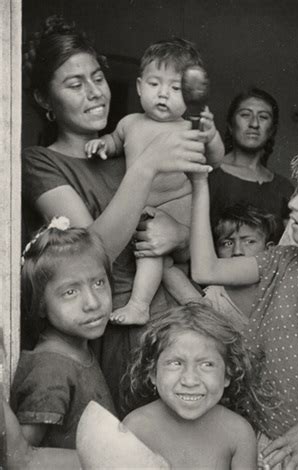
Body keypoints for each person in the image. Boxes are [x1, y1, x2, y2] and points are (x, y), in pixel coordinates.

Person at [22, 16, 211, 415]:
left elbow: (193, 218)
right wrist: (146, 169)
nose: (95, 94)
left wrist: (181, 233)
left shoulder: (124, 149)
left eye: (98, 79)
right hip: (116, 331)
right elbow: (90, 254)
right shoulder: (41, 163)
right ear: (43, 99)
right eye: (75, 85)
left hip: (171, 317)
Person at [190, 144, 298, 470]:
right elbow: (206, 270)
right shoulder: (282, 261)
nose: (293, 203)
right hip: (255, 444)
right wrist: (200, 185)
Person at [85, 38, 224, 325]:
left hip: (178, 204)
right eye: (154, 84)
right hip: (145, 208)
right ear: (138, 87)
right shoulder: (129, 123)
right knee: (159, 259)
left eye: (175, 88)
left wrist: (211, 136)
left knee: (154, 254)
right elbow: (115, 142)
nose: (163, 94)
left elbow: (216, 160)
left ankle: (139, 305)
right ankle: (198, 307)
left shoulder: (189, 127)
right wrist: (102, 145)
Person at [123, 302, 276, 470]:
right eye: (175, 363)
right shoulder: (135, 428)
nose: (190, 380)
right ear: (152, 372)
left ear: (228, 374)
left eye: (207, 365)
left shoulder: (239, 433)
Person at [10, 218, 116, 449]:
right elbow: (21, 456)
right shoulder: (51, 369)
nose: (92, 302)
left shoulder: (78, 350)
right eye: (70, 292)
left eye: (98, 283)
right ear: (39, 304)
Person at [163, 203, 277, 328]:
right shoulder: (212, 298)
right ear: (215, 251)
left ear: (269, 249)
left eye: (249, 241)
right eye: (227, 243)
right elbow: (167, 267)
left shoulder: (282, 287)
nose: (237, 251)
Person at [209, 88, 294, 242]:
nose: (254, 124)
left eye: (263, 117)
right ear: (230, 125)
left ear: (272, 130)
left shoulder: (284, 188)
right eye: (245, 115)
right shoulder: (209, 175)